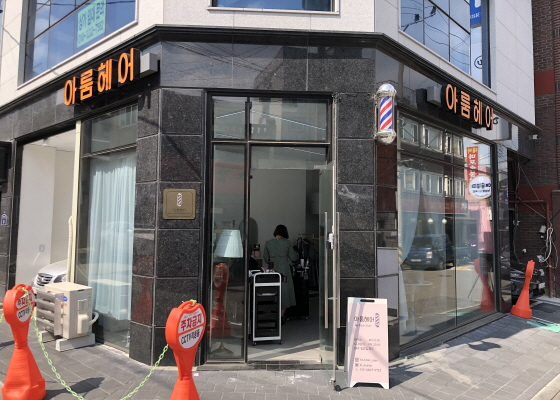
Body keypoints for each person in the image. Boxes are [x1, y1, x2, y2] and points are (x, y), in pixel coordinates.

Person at [263, 224, 299, 323]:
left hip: (272, 270)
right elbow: (293, 257)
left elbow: (266, 258)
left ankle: (272, 314)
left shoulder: (268, 243)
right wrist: (297, 254)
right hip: (284, 270)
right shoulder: (287, 243)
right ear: (285, 232)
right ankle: (280, 316)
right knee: (285, 293)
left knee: (273, 292)